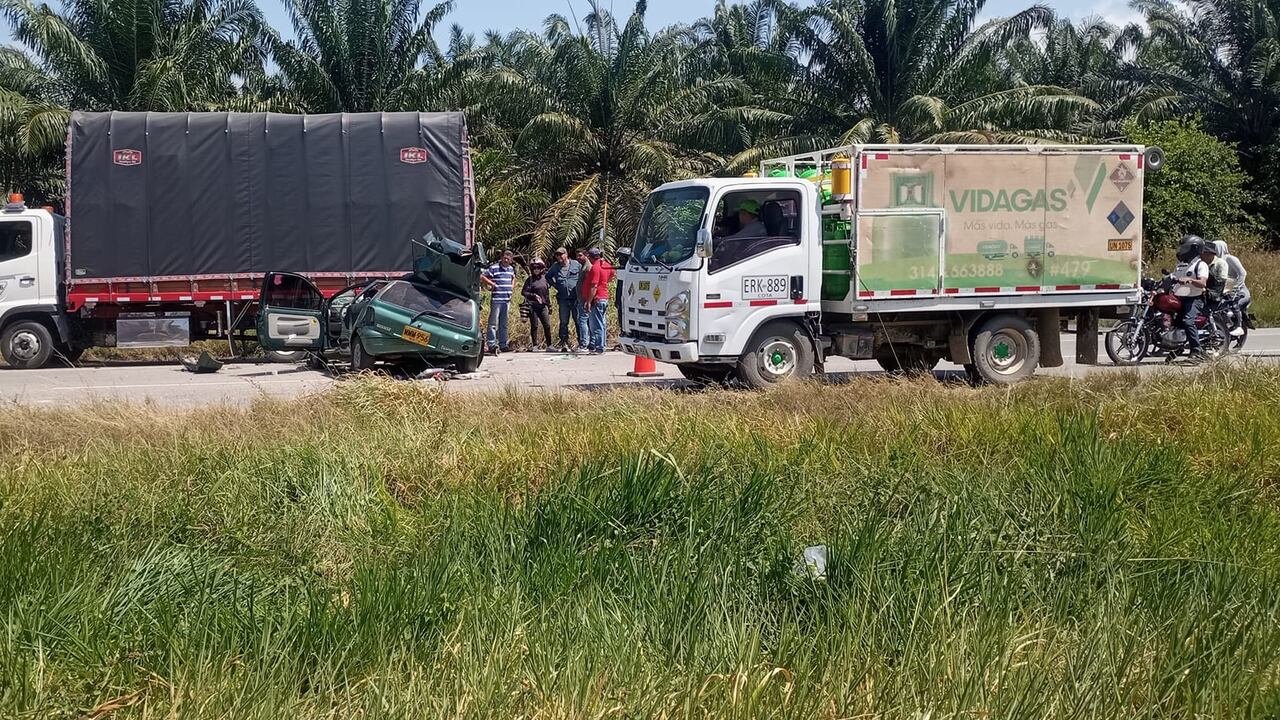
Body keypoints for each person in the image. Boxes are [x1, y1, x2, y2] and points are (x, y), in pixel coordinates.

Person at [1175, 237, 1210, 359]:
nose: (1181, 250)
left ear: (1194, 248)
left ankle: (1196, 351)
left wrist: (1190, 280)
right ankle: (1175, 348)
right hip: (1180, 297)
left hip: (1195, 299)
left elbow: (1202, 283)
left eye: (1184, 248)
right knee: (1172, 321)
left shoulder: (1201, 265)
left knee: (1188, 321)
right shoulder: (1181, 265)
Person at [546, 246, 585, 351]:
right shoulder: (555, 267)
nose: (559, 256)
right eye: (557, 255)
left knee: (578, 321)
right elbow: (548, 277)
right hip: (563, 298)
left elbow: (584, 275)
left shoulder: (576, 264)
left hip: (576, 298)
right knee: (564, 322)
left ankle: (581, 342)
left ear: (566, 254)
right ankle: (564, 342)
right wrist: (554, 285)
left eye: (561, 254)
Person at [480, 250, 516, 355]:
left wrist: (512, 286)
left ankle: (503, 345)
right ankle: (491, 344)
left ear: (511, 260)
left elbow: (513, 277)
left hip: (506, 300)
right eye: (504, 258)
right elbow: (482, 276)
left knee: (504, 324)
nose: (506, 260)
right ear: (501, 258)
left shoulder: (510, 269)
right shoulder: (494, 268)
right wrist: (492, 284)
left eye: (508, 259)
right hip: (497, 299)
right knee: (493, 323)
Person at [581, 247, 615, 354]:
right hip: (603, 297)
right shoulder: (605, 264)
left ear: (591, 257)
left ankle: (599, 347)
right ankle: (601, 345)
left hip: (597, 299)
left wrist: (588, 301)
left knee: (597, 324)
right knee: (602, 322)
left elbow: (593, 286)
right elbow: (613, 274)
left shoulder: (595, 268)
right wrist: (604, 282)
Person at [521, 258, 553, 351]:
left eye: (538, 267)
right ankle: (535, 345)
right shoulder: (530, 280)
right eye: (534, 268)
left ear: (541, 268)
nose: (536, 269)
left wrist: (549, 305)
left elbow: (546, 294)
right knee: (534, 325)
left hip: (543, 306)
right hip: (532, 306)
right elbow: (523, 292)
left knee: (547, 325)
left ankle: (549, 345)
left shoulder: (545, 279)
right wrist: (533, 295)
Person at [1215, 240, 1251, 323]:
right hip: (1223, 290)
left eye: (1215, 248)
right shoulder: (1215, 261)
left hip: (1238, 290)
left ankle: (1238, 324)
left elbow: (1242, 273)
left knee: (1234, 305)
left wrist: (1236, 287)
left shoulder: (1230, 258)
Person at [575, 248, 593, 351]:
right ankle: (588, 342)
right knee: (583, 320)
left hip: (584, 299)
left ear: (586, 255)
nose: (578, 258)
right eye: (577, 256)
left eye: (580, 255)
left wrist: (587, 299)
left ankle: (584, 343)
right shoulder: (583, 266)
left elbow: (590, 284)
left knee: (583, 320)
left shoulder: (588, 267)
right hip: (581, 298)